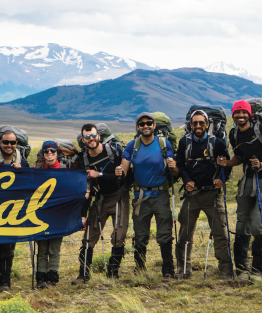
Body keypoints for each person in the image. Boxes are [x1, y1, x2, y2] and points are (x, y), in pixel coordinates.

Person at [218, 100, 262, 278]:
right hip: (247, 179)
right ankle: (241, 267)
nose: (240, 116)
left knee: (257, 224)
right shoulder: (234, 134)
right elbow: (239, 157)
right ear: (233, 115)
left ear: (250, 114)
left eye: (243, 113)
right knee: (241, 222)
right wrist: (228, 163)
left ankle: (259, 270)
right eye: (237, 113)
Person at [116, 112, 178, 278]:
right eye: (142, 124)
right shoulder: (132, 146)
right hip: (140, 196)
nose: (145, 126)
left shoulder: (164, 144)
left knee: (164, 233)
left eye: (148, 123)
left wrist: (174, 165)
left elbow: (174, 170)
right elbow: (124, 171)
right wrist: (119, 172)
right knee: (140, 234)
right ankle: (139, 269)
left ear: (154, 125)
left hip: (161, 194)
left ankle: (168, 269)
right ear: (138, 127)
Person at [175, 111, 233, 279]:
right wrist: (186, 180)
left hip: (212, 195)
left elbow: (226, 164)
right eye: (195, 123)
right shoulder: (184, 143)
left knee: (220, 233)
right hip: (191, 194)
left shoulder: (218, 143)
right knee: (184, 234)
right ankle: (184, 270)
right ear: (190, 125)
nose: (198, 126)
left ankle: (226, 271)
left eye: (201, 123)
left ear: (208, 124)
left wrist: (222, 179)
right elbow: (180, 165)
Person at [72, 124, 131, 284]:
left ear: (98, 136)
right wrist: (83, 214)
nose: (91, 139)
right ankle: (83, 274)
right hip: (99, 198)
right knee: (89, 236)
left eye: (93, 135)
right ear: (83, 140)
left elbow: (121, 176)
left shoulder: (114, 151)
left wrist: (98, 174)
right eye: (87, 137)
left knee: (119, 236)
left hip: (120, 195)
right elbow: (86, 189)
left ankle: (113, 273)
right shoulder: (83, 159)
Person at [0, 129, 29, 292]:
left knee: (8, 247)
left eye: (12, 142)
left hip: (13, 211)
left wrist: (20, 171)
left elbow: (28, 186)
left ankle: (5, 282)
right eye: (6, 142)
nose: (9, 145)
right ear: (0, 143)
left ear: (17, 144)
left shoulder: (23, 162)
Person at [35, 141, 65, 288]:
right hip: (40, 213)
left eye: (53, 151)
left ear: (57, 153)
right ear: (43, 153)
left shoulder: (65, 170)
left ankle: (52, 277)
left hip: (58, 214)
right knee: (41, 248)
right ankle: (40, 277)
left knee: (54, 248)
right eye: (46, 151)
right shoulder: (37, 169)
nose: (49, 154)